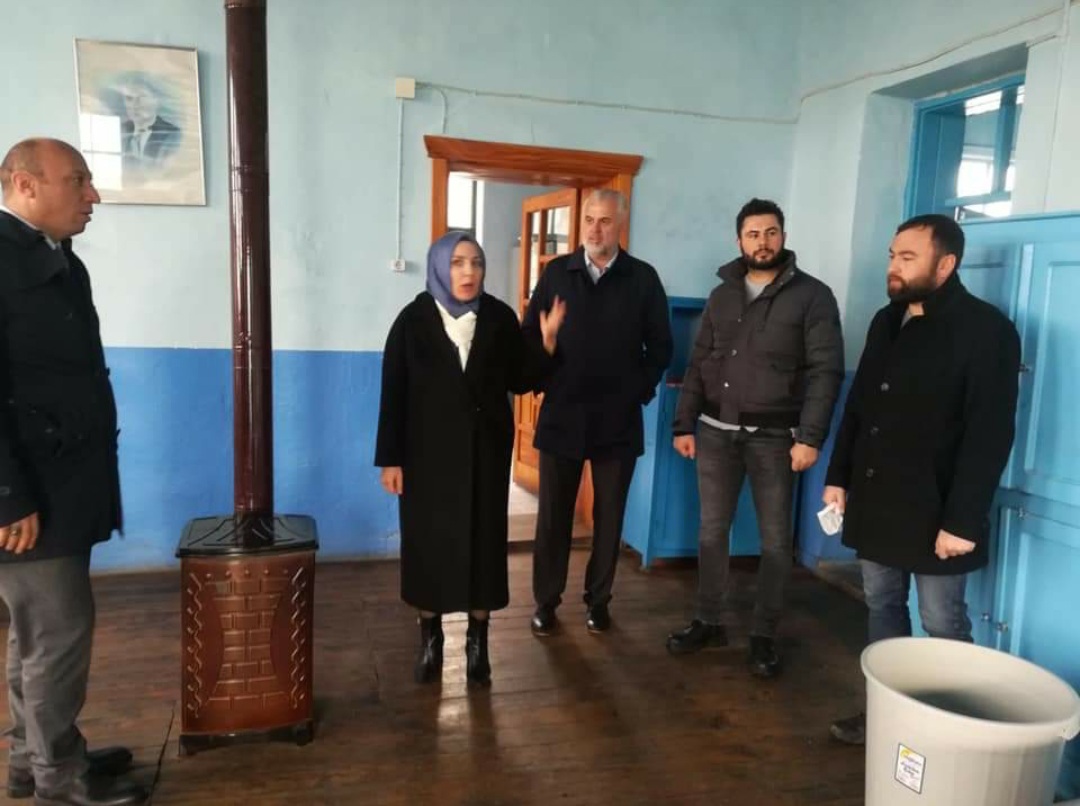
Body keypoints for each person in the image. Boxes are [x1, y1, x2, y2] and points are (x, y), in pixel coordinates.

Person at [825, 214, 1021, 744]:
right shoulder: (886, 321)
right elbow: (859, 407)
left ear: (946, 264)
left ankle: (953, 732)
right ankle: (886, 715)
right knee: (882, 608)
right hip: (877, 499)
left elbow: (989, 435)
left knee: (942, 622)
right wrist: (838, 477)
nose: (894, 266)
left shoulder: (987, 331)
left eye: (908, 257)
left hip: (939, 510)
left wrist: (962, 522)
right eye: (893, 255)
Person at [0, 139, 147, 805]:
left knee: (34, 634)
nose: (93, 195)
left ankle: (31, 759)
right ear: (25, 185)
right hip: (28, 495)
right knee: (56, 637)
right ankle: (59, 779)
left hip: (59, 484)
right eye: (78, 180)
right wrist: (8, 497)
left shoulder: (56, 258)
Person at [375, 231, 565, 686]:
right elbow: (393, 394)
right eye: (458, 262)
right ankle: (431, 641)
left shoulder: (498, 317)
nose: (468, 272)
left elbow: (520, 379)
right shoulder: (412, 321)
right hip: (426, 459)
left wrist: (546, 344)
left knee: (484, 546)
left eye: (476, 262)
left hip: (485, 455)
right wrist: (391, 460)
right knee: (429, 547)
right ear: (440, 266)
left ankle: (478, 645)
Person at [666, 198, 844, 678]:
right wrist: (684, 423)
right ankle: (708, 621)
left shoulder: (813, 296)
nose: (762, 242)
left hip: (776, 438)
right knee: (711, 532)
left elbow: (826, 371)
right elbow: (699, 363)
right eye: (752, 234)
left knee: (775, 542)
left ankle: (764, 634)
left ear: (783, 236)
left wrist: (810, 438)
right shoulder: (722, 294)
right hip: (715, 433)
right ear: (739, 240)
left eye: (770, 232)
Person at [523, 189, 673, 637]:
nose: (594, 229)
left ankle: (599, 602)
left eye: (604, 220)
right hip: (562, 415)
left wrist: (636, 391)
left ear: (620, 224)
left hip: (617, 420)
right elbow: (529, 338)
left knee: (609, 518)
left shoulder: (642, 278)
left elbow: (661, 347)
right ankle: (545, 602)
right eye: (589, 219)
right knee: (553, 518)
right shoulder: (557, 273)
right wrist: (546, 350)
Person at [117, 77, 181, 169]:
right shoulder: (117, 132)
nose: (134, 105)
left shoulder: (173, 135)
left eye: (142, 98)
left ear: (157, 101)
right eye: (129, 98)